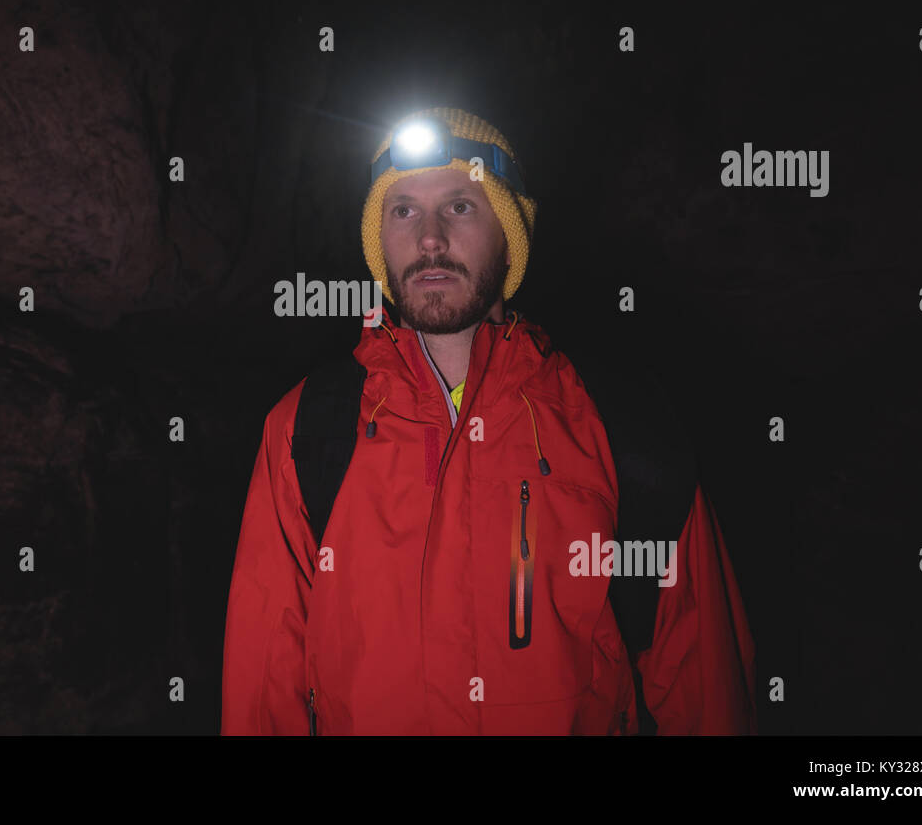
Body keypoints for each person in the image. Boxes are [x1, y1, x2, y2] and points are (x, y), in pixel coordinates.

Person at [221, 106, 757, 734]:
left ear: (510, 234)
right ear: (379, 240)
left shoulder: (618, 421)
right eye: (402, 210)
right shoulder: (306, 428)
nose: (428, 237)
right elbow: (262, 687)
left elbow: (706, 683)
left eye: (459, 206)